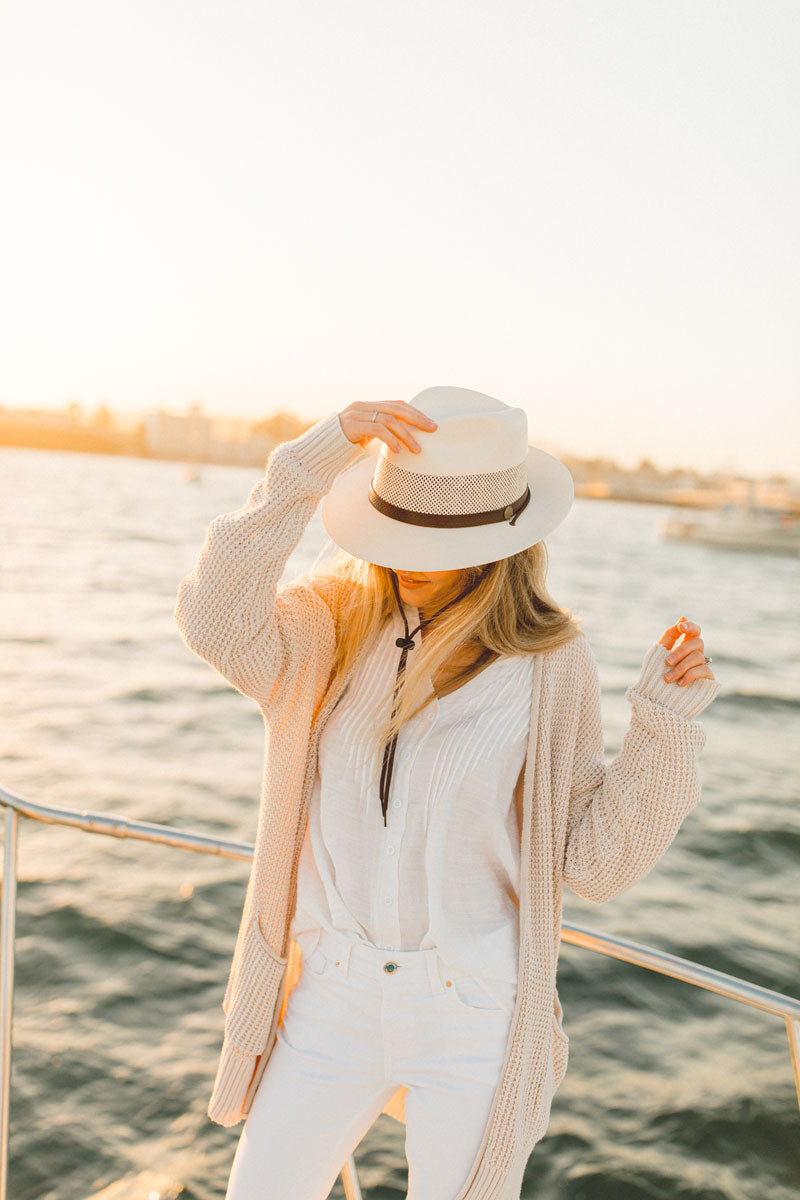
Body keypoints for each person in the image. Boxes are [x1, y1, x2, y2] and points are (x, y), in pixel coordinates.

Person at [173, 386, 720, 1200]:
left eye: (442, 541)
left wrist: (664, 728)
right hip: (328, 994)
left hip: (470, 1010)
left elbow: (593, 865)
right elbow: (214, 619)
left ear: (503, 539)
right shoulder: (328, 622)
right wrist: (311, 458)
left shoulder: (549, 662)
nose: (410, 564)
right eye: (400, 532)